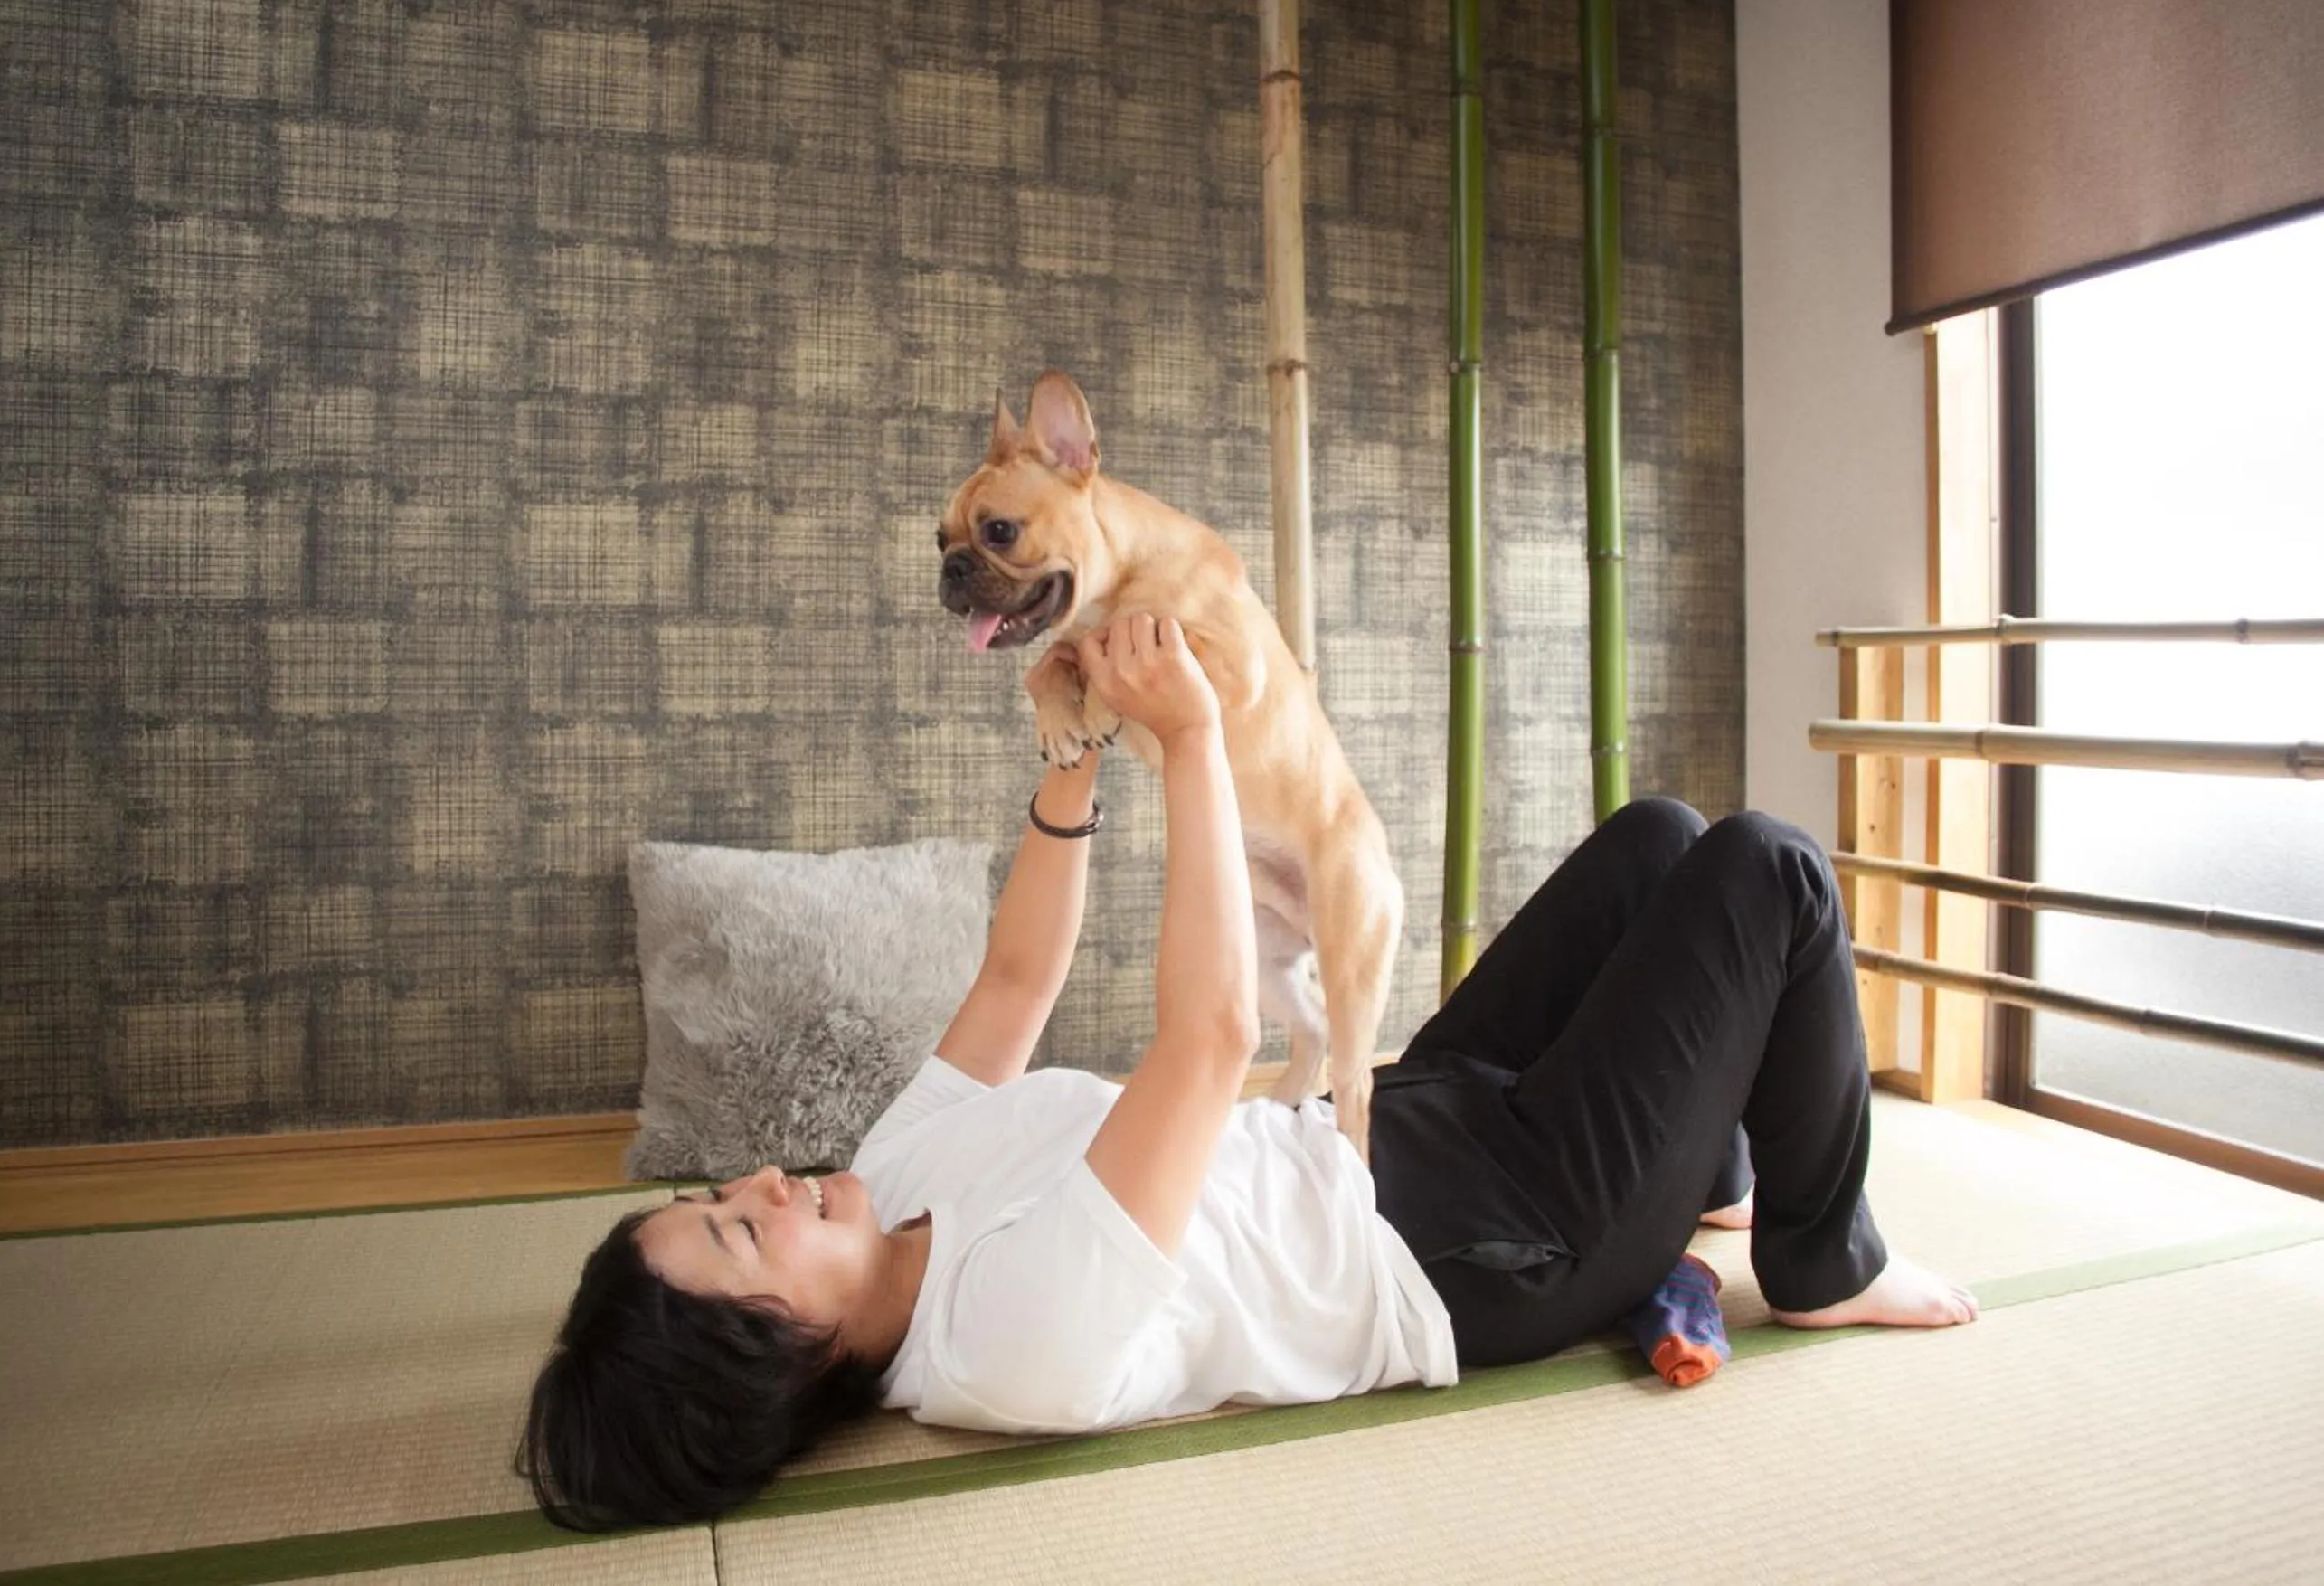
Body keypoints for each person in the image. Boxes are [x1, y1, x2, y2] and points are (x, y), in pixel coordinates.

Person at [519, 613, 1976, 1532]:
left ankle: (1704, 1174)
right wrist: (1192, 741)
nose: (764, 1182)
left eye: (722, 1193)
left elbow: (1015, 983)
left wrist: (1073, 755)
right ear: (777, 1348)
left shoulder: (886, 1187)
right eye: (736, 1228)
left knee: (1656, 836)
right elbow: (1210, 1036)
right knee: (1769, 872)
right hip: (1486, 1243)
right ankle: (1818, 1256)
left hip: (1376, 1123)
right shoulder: (1007, 1345)